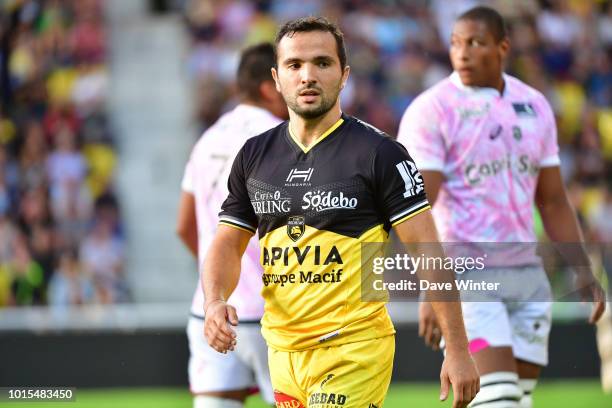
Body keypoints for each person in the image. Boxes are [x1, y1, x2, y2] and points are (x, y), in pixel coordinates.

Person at [201, 17, 479, 408]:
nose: (308, 76)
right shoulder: (253, 155)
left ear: (344, 74)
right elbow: (227, 244)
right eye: (294, 65)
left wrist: (459, 348)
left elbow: (429, 251)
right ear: (277, 78)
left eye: (322, 63)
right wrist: (214, 301)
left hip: (354, 348)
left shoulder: (380, 154)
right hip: (282, 353)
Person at [397, 6, 606, 408]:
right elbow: (421, 207)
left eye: (475, 43)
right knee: (498, 400)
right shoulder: (433, 109)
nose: (463, 52)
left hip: (527, 274)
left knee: (516, 399)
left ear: (503, 47)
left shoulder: (534, 106)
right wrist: (431, 287)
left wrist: (583, 270)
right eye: (457, 43)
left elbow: (552, 199)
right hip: (467, 274)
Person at [176, 43, 288, 408]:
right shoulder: (281, 138)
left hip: (211, 309)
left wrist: (218, 275)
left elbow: (184, 225)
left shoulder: (208, 138)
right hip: (273, 309)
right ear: (270, 86)